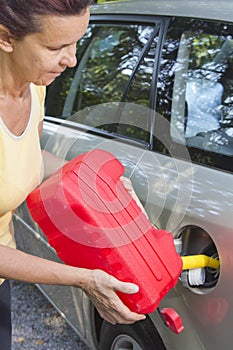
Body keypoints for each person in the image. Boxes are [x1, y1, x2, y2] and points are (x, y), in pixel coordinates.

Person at [0, 0, 146, 349]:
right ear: (5, 37)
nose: (72, 60)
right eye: (56, 47)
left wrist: (97, 183)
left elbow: (30, 158)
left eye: (77, 42)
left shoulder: (34, 87)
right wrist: (84, 280)